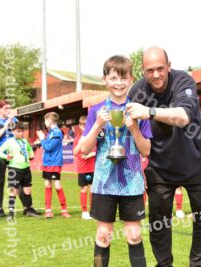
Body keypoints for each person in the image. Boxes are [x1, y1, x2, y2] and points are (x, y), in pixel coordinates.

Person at [126, 47, 201, 267]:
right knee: (158, 221)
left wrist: (149, 111)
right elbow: (135, 131)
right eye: (150, 70)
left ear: (169, 65)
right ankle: (164, 264)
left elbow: (183, 116)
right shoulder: (137, 91)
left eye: (160, 68)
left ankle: (198, 263)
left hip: (198, 161)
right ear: (143, 70)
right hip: (160, 165)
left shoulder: (183, 81)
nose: (156, 74)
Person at [81, 55, 152, 267]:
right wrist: (97, 126)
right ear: (105, 80)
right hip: (104, 183)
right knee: (103, 235)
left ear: (131, 79)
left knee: (134, 235)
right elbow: (84, 149)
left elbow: (146, 150)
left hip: (132, 184)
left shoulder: (138, 110)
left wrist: (133, 128)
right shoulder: (96, 111)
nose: (118, 83)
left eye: (123, 78)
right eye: (113, 78)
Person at [0, 122, 40, 218]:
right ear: (13, 131)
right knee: (13, 190)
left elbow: (29, 149)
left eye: (21, 131)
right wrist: (6, 156)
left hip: (26, 168)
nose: (20, 133)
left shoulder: (24, 141)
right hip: (14, 169)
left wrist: (31, 154)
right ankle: (11, 211)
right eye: (18, 131)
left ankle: (29, 209)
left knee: (27, 189)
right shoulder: (9, 142)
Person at [37, 112, 71, 218]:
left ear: (50, 120)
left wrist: (42, 139)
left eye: (45, 120)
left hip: (55, 163)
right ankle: (48, 210)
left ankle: (64, 210)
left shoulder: (56, 133)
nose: (44, 122)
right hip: (47, 162)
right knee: (47, 185)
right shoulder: (51, 132)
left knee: (57, 185)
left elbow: (48, 147)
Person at [0, 100, 19, 217]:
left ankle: (27, 207)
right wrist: (7, 123)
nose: (8, 110)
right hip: (1, 154)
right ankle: (0, 208)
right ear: (0, 109)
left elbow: (19, 135)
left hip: (14, 155)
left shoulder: (15, 120)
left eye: (10, 108)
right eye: (6, 108)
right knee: (0, 181)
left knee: (18, 181)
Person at [73, 115, 95, 220]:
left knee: (92, 190)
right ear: (80, 126)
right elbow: (75, 152)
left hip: (93, 168)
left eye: (88, 126)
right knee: (84, 190)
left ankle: (93, 211)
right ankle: (84, 211)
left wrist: (91, 154)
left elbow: (98, 151)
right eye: (84, 126)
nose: (86, 128)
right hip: (83, 168)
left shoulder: (94, 138)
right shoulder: (78, 139)